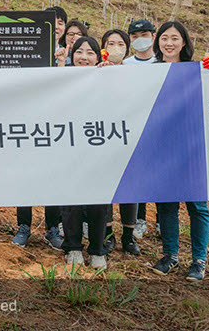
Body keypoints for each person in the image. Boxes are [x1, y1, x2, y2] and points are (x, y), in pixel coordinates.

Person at [151, 21, 209, 281]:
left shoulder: (195, 71)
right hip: (162, 148)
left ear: (184, 43)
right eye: (164, 38)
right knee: (167, 204)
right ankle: (171, 256)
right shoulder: (150, 72)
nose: (169, 43)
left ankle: (199, 261)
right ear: (158, 42)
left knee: (197, 205)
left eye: (175, 38)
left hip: (192, 146)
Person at [13, 6, 67, 249]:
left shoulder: (71, 52)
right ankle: (23, 225)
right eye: (50, 21)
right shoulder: (27, 47)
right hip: (29, 119)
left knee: (54, 176)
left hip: (57, 124)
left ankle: (52, 227)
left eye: (60, 22)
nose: (55, 25)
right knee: (25, 174)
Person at [57, 36, 110, 269]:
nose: (84, 57)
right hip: (68, 147)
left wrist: (112, 73)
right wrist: (60, 65)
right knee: (71, 200)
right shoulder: (64, 76)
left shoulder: (106, 76)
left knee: (99, 200)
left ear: (98, 57)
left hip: (99, 148)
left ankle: (98, 250)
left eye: (90, 52)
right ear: (72, 55)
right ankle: (73, 247)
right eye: (79, 52)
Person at [98, 28, 142, 256]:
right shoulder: (96, 71)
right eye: (110, 43)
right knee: (106, 187)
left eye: (120, 44)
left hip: (128, 137)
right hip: (102, 137)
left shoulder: (135, 73)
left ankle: (128, 235)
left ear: (127, 48)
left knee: (129, 188)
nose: (115, 47)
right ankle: (107, 234)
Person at [123, 19, 158, 238]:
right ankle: (137, 219)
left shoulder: (163, 63)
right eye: (134, 36)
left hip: (157, 124)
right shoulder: (125, 65)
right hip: (132, 126)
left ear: (154, 36)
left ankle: (158, 220)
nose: (139, 39)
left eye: (144, 34)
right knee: (136, 173)